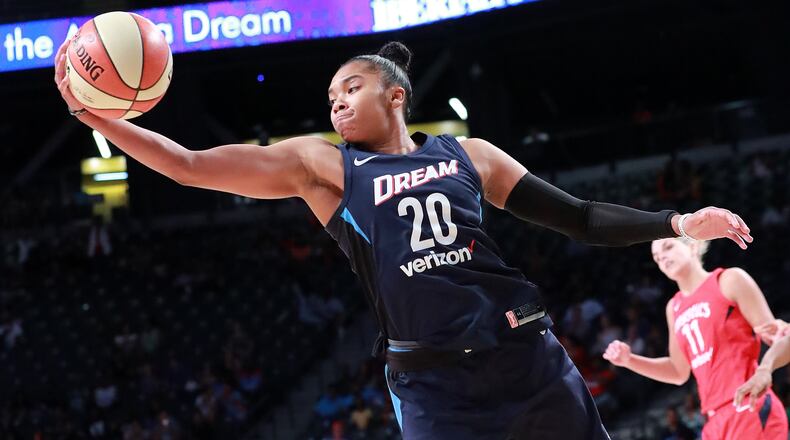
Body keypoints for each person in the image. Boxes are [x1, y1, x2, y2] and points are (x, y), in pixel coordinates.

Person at [55, 38, 754, 439]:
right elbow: (187, 167)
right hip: (434, 384)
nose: (335, 101)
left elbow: (578, 217)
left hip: (528, 360)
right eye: (329, 95)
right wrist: (100, 118)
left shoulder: (470, 156)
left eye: (350, 88)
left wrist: (677, 223)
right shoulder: (324, 166)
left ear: (394, 96)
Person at [603, 237, 787, 439]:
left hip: (749, 407)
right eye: (656, 257)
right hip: (713, 421)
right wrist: (629, 360)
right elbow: (678, 371)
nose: (662, 257)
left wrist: (765, 368)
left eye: (668, 247)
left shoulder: (728, 280)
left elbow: (781, 337)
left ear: (693, 245)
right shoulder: (674, 308)